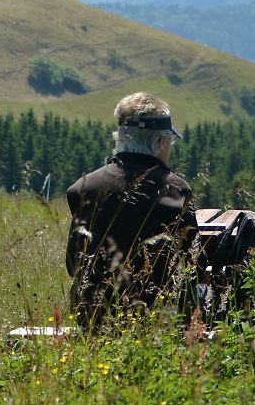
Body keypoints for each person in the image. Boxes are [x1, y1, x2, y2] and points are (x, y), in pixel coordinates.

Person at [65, 92, 200, 328]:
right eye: (170, 141)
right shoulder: (177, 191)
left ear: (121, 138)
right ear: (160, 143)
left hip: (92, 320)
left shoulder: (83, 188)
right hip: (157, 320)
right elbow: (190, 265)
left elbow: (73, 265)